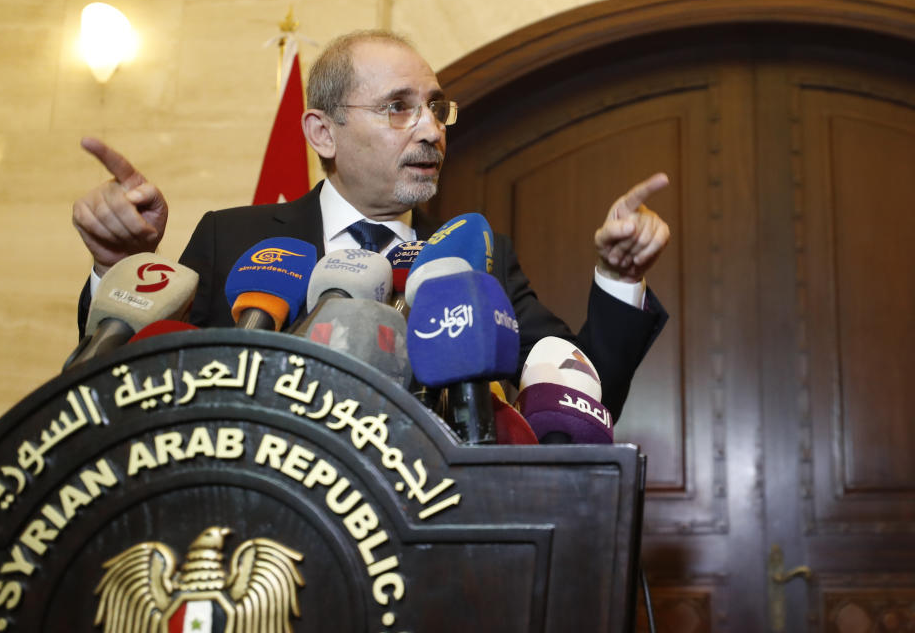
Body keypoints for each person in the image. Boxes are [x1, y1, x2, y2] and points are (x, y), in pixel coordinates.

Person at [72, 30, 670, 420]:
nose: (433, 130)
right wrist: (114, 270)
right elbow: (127, 393)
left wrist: (619, 279)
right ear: (323, 132)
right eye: (398, 107)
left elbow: (580, 396)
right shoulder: (232, 240)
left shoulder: (475, 258)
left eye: (436, 108)